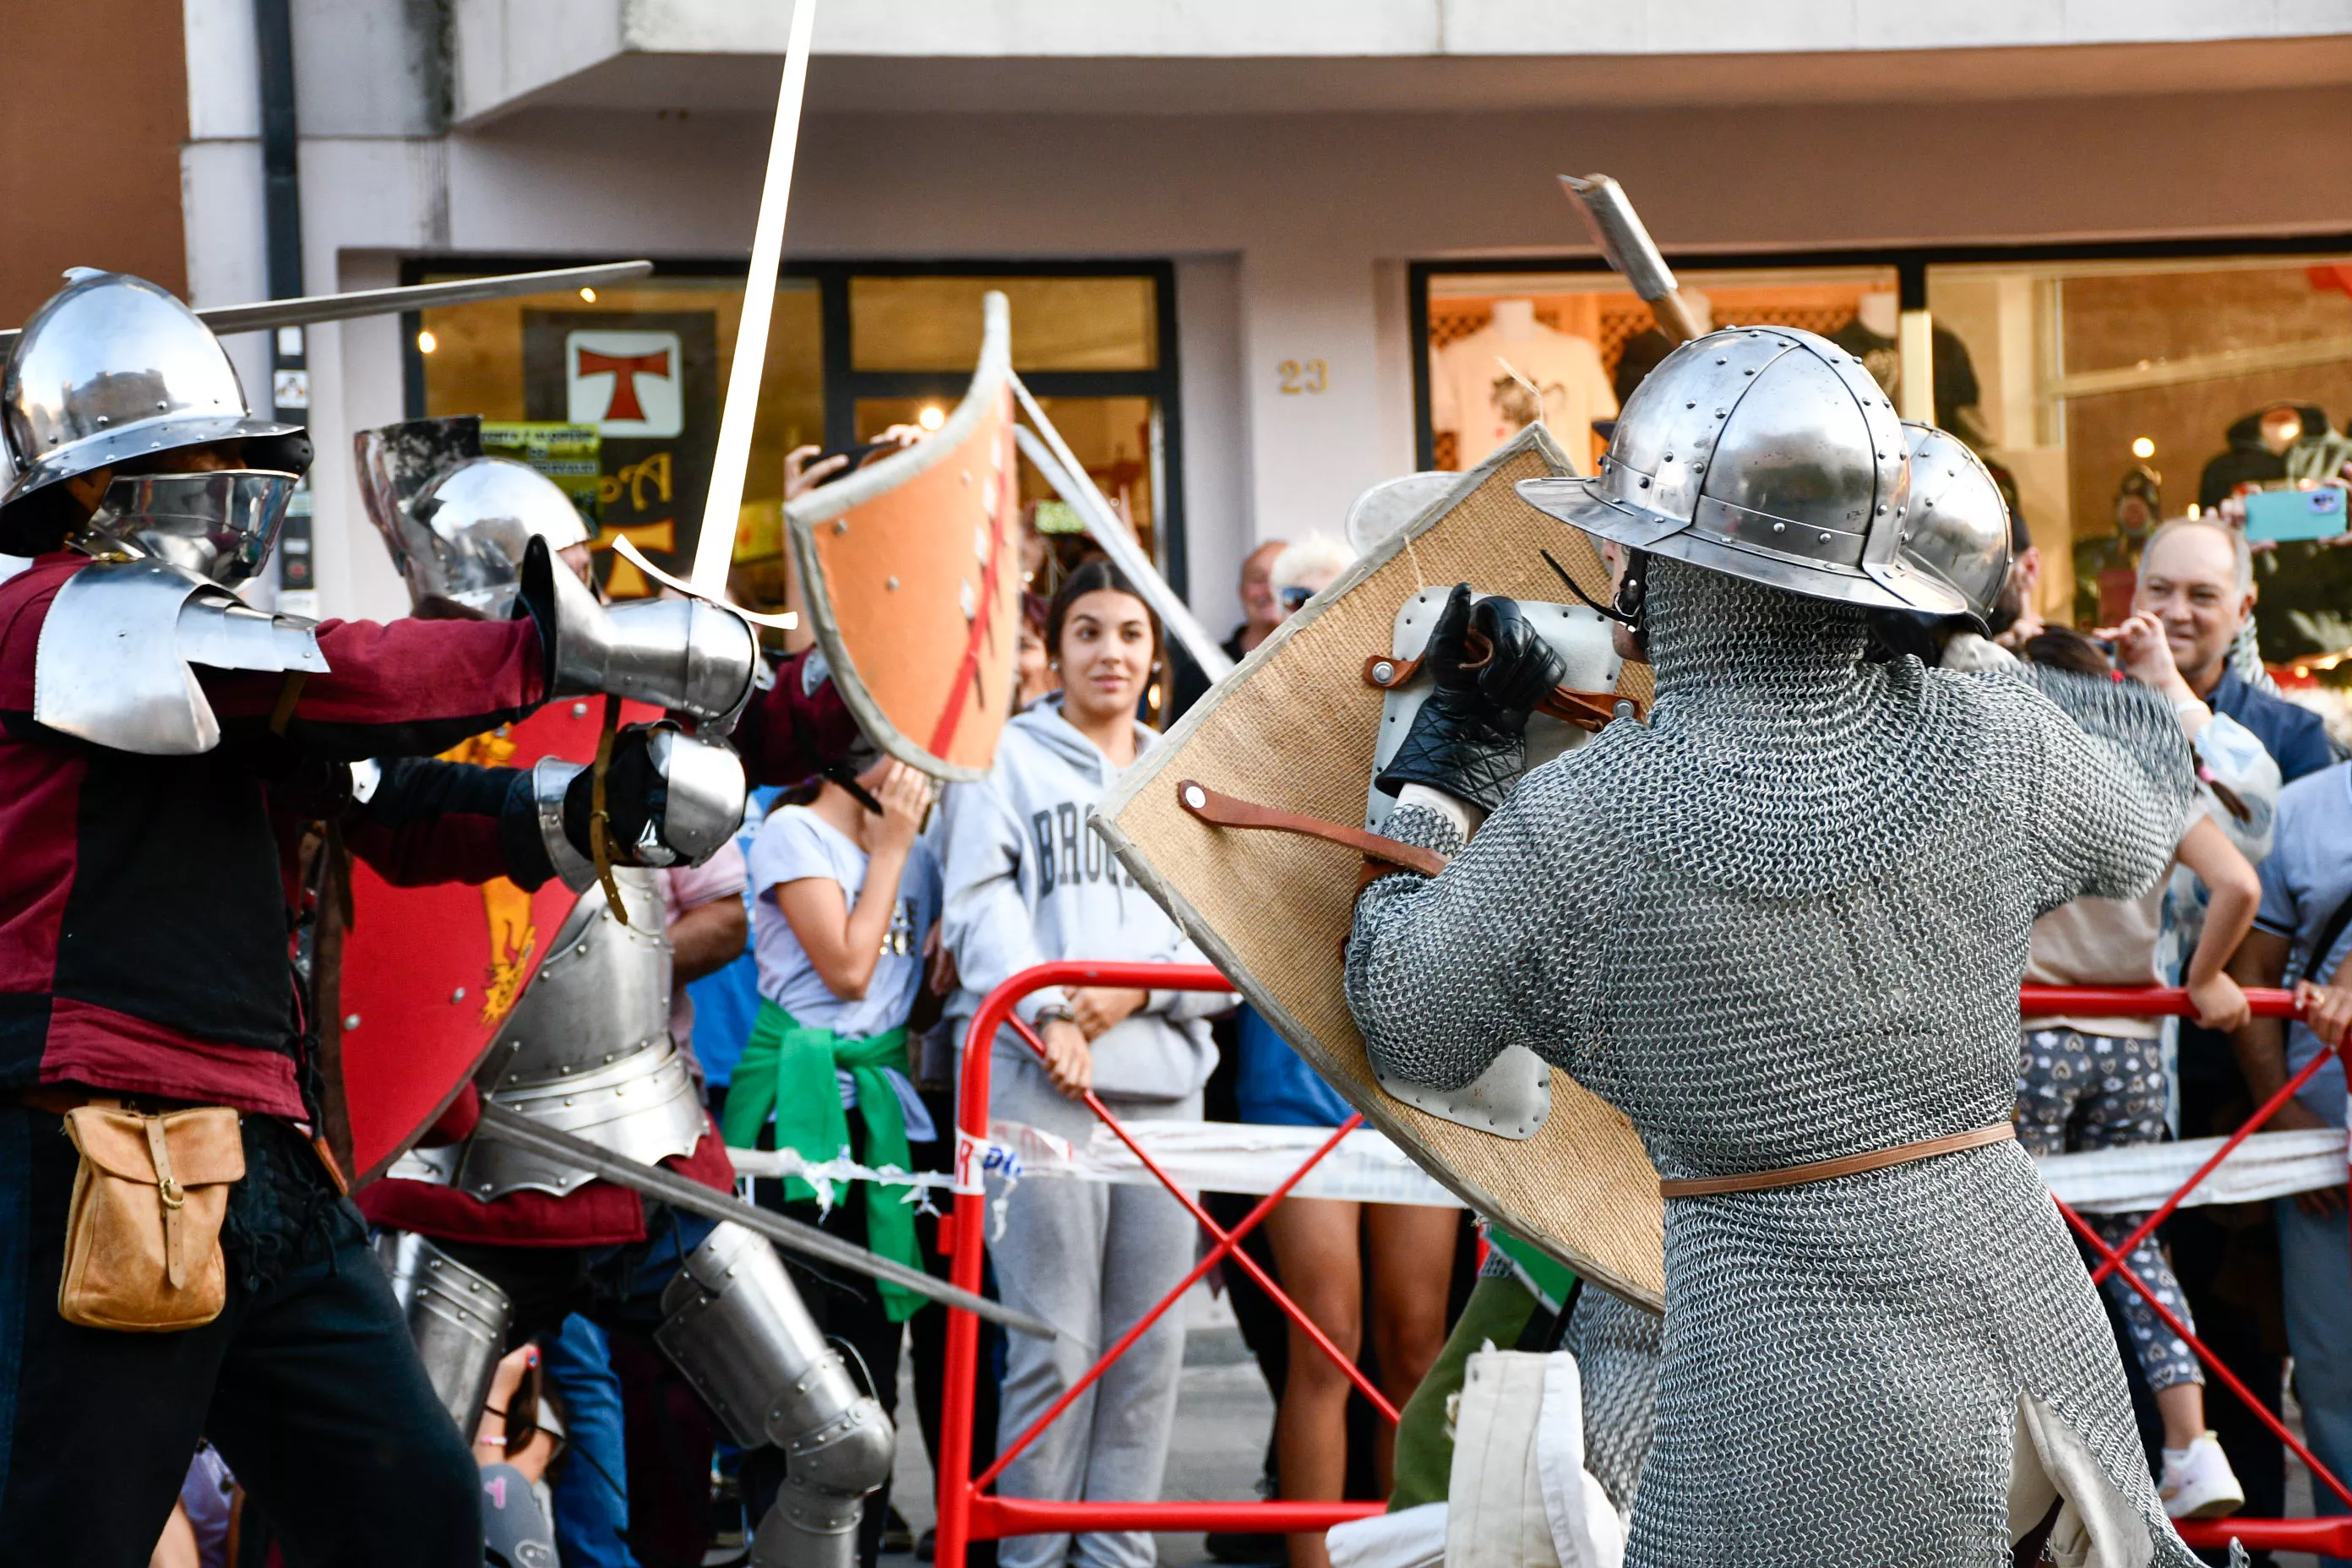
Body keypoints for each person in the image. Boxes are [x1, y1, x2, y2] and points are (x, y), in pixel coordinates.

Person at [1363, 324, 2208, 1564]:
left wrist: (1437, 776)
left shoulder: (1594, 814)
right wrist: (1960, 642)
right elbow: (2143, 819)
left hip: (1783, 1375)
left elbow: (1407, 1015)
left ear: (1662, 571)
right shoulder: (1981, 738)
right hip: (2026, 1326)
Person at [0, 271, 727, 1566]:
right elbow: (342, 680)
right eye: (202, 455)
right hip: (98, 1143)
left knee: (410, 1519)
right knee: (76, 1533)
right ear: (95, 480)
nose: (234, 480)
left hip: (264, 1162)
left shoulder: (209, 678)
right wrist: (552, 650)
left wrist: (585, 809)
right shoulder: (52, 623)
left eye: (239, 452)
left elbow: (389, 801)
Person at [347, 417, 897, 1568]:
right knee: (383, 1510)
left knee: (837, 1450)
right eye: (579, 573)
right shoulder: (387, 727)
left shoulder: (641, 701)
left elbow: (811, 713)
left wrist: (884, 559)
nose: (599, 595)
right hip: (458, 1176)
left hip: (645, 1151)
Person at [938, 558, 1229, 1568]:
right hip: (1037, 1084)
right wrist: (1053, 1007)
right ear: (1054, 648)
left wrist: (1133, 991)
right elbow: (977, 904)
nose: (1111, 651)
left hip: (1167, 1087)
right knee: (1051, 1341)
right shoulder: (1002, 760)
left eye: (1131, 635)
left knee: (1149, 1347)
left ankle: (1117, 1555)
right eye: (1089, 631)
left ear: (1155, 658)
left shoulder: (1186, 766)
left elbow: (1229, 938)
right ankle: (1030, 1552)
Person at [2015, 622, 2262, 1520]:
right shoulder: (2148, 764)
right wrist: (2205, 978)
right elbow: (2238, 883)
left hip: (2034, 1035)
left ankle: (2042, 1471)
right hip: (2131, 1048)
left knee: (2019, 1254)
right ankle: (2192, 1446)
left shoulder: (2018, 760)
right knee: (2136, 1245)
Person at [724, 753, 943, 1568]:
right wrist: (889, 854)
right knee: (793, 1369)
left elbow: (905, 992)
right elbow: (851, 972)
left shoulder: (917, 844)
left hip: (887, 1119)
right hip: (798, 1124)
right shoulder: (793, 830)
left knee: (873, 1362)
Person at [2227, 759, 2352, 1568]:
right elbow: (2254, 974)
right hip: (2319, 1144)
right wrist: (2284, 1112)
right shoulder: (2303, 810)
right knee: (2333, 1369)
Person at [2132, 518, 2334, 784]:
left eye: (2202, 595)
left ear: (2243, 610)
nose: (2177, 613)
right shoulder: (2083, 701)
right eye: (2159, 590)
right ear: (2136, 596)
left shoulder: (2292, 735)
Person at [1168, 538, 1288, 718]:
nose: (1270, 591)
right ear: (1241, 591)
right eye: (1258, 579)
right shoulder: (1198, 674)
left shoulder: (1321, 665)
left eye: (1282, 579)